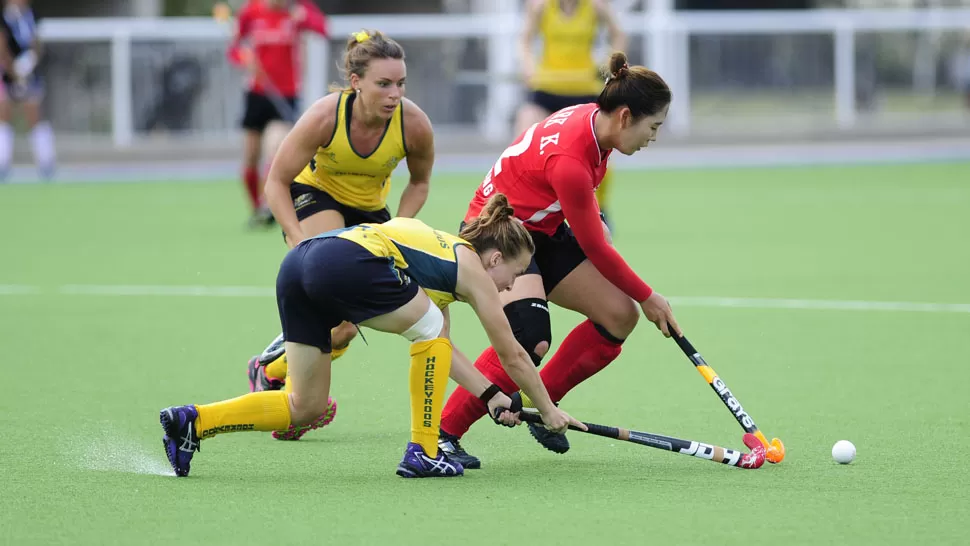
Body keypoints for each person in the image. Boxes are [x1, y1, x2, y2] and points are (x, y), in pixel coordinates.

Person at [159, 194, 585, 478]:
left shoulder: (438, 266)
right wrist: (547, 409)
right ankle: (424, 451)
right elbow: (512, 353)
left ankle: (194, 420)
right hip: (345, 260)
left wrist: (491, 395)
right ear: (495, 258)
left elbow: (439, 350)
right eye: (514, 274)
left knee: (305, 406)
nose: (512, 287)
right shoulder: (469, 265)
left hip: (299, 265)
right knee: (430, 331)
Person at [436, 52, 681, 470]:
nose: (653, 137)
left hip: (540, 226)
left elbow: (580, 217)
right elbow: (599, 250)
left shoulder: (595, 122)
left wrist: (597, 221)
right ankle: (443, 436)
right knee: (530, 337)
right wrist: (649, 296)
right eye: (652, 126)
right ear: (625, 116)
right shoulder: (571, 158)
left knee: (619, 315)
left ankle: (541, 402)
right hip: (497, 230)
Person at [240, 30, 437, 441]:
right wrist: (296, 236)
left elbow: (419, 182)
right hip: (315, 197)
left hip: (371, 213)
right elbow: (276, 180)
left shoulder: (414, 125)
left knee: (346, 327)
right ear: (356, 82)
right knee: (334, 305)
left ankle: (270, 368)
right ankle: (297, 401)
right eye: (383, 84)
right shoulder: (325, 116)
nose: (394, 94)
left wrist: (397, 228)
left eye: (400, 84)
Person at [517, 0, 625, 223]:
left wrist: (608, 68)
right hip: (547, 87)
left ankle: (599, 208)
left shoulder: (596, 6)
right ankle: (521, 210)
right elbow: (525, 41)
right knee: (522, 138)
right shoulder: (540, 6)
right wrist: (529, 66)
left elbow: (619, 36)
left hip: (584, 88)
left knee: (601, 150)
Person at [227, 0, 328, 226]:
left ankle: (269, 203)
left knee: (274, 147)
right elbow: (233, 49)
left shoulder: (297, 9)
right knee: (251, 156)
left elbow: (322, 28)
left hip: (286, 94)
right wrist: (245, 59)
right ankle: (257, 208)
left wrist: (304, 17)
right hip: (257, 93)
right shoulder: (251, 11)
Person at [0, 0, 54, 180]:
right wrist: (13, 70)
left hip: (29, 72)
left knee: (34, 114)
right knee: (4, 114)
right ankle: (2, 163)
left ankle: (46, 163)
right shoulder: (4, 19)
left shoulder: (32, 16)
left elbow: (36, 43)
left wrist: (29, 62)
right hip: (7, 73)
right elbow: (2, 47)